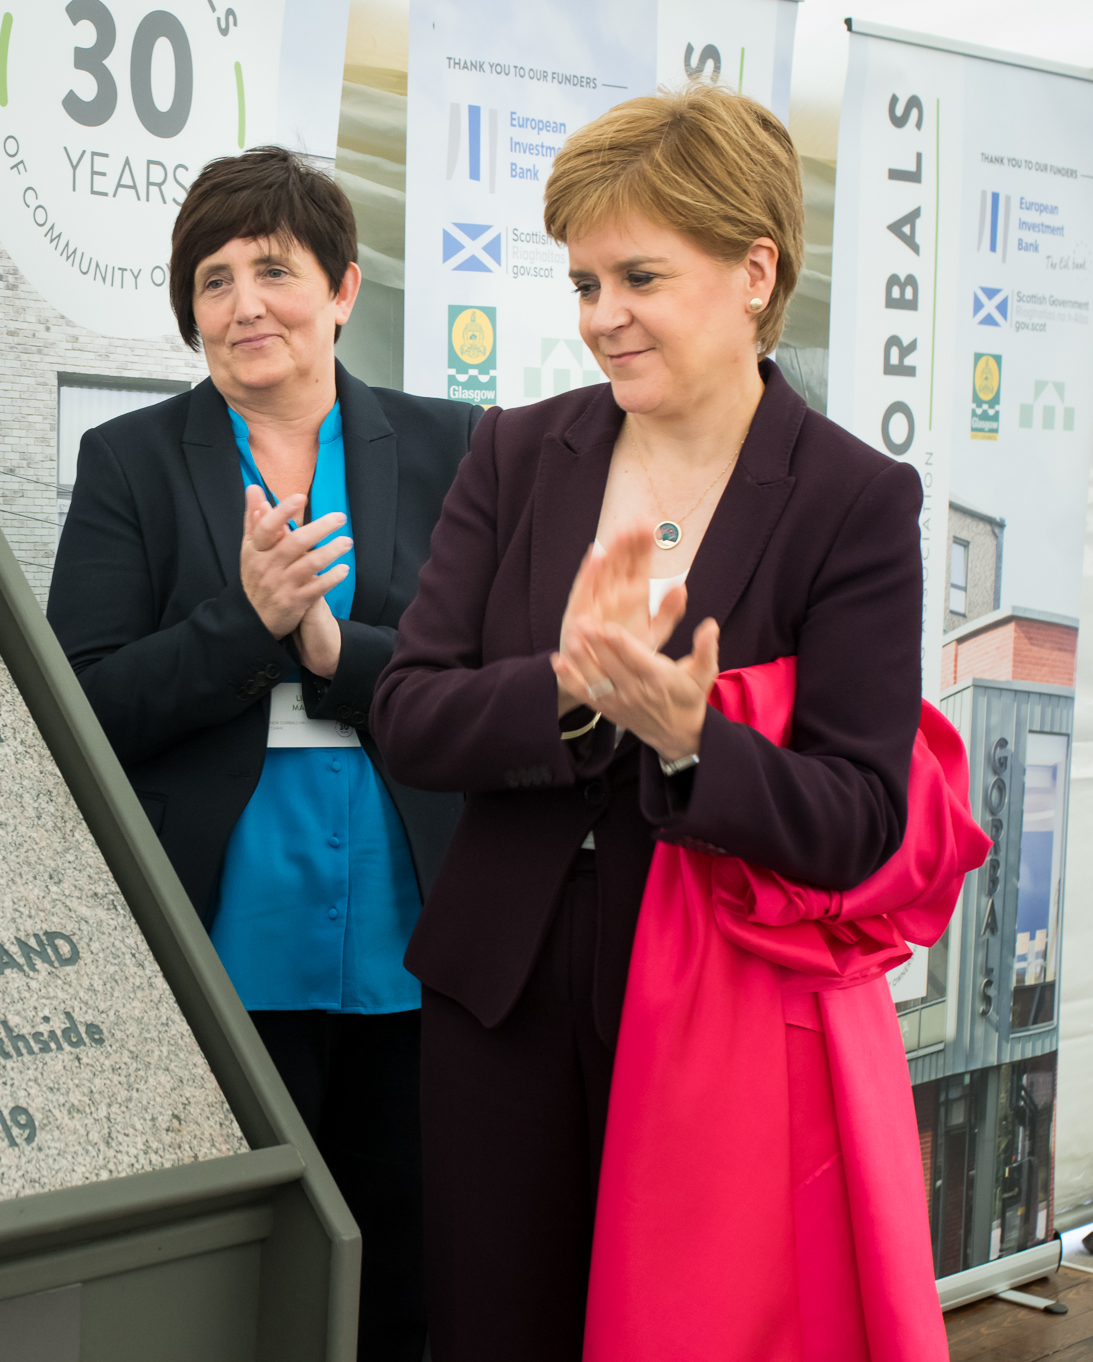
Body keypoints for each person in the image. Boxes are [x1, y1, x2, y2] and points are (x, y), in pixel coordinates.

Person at [370, 86, 937, 1360]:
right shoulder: (512, 454)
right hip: (495, 990)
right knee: (491, 1325)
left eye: (636, 276)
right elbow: (407, 716)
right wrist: (567, 690)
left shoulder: (850, 499)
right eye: (581, 284)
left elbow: (858, 817)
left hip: (706, 1022)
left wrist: (692, 744)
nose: (600, 319)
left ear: (752, 271)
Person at [47, 147, 478, 1359]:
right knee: (229, 1276)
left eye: (274, 271)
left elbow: (490, 678)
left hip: (414, 923)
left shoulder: (454, 449)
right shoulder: (132, 461)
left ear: (342, 287)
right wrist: (241, 624)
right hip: (219, 923)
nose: (242, 305)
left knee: (404, 1268)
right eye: (212, 278)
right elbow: (80, 701)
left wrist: (337, 652)